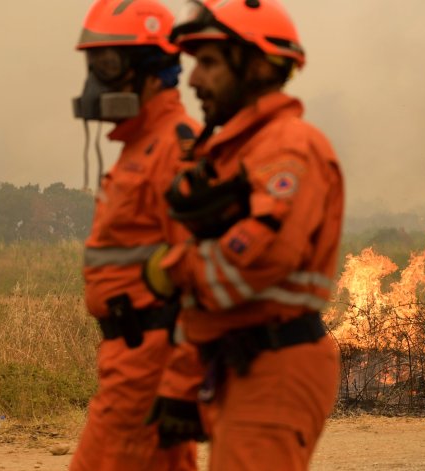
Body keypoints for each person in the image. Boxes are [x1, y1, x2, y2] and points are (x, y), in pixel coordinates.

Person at [142, 0, 344, 469]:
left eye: (209, 63)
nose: (192, 80)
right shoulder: (236, 153)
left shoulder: (289, 147)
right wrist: (179, 385)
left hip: (275, 367)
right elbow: (206, 302)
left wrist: (170, 269)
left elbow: (258, 260)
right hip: (235, 364)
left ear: (256, 66)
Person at [70, 1, 203, 469]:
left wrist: (182, 383)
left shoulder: (176, 147)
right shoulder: (138, 146)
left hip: (150, 365)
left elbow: (200, 274)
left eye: (109, 65)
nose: (97, 82)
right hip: (129, 362)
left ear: (152, 72)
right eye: (94, 65)